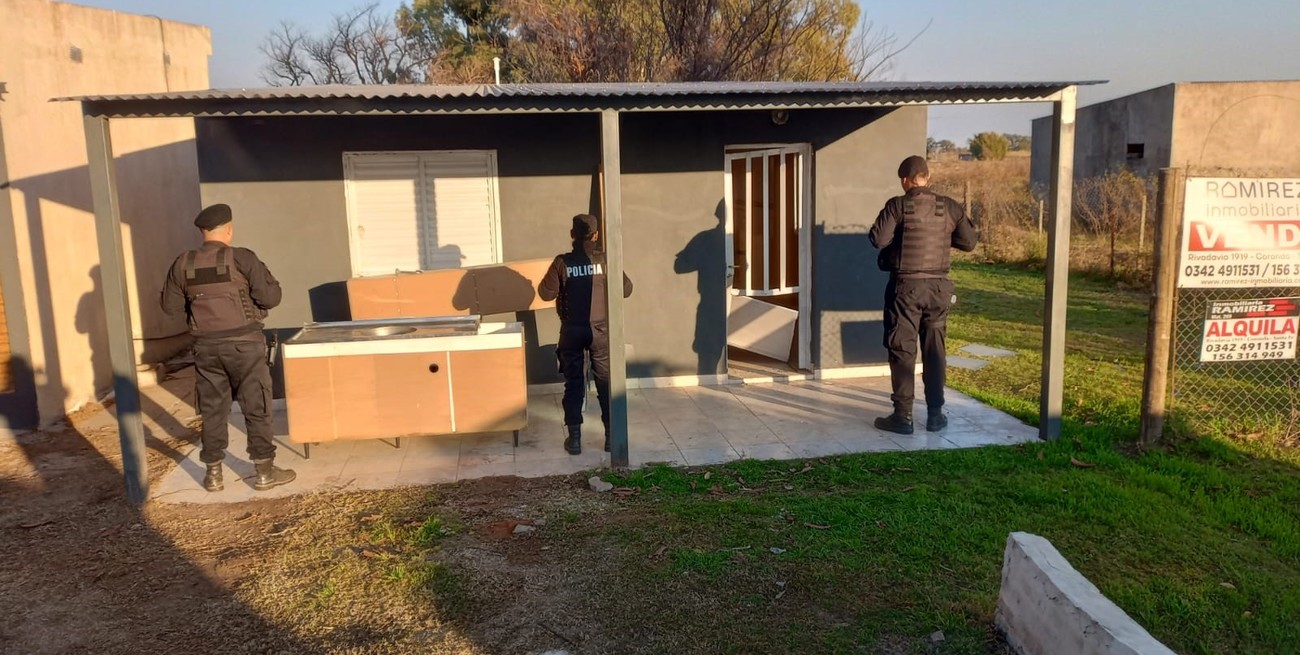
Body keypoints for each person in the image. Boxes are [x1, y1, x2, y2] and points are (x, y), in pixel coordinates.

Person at [161, 204, 295, 492]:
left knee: (212, 410)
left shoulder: (183, 263)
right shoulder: (242, 258)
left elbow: (169, 307)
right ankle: (263, 472)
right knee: (256, 406)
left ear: (202, 232)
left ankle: (213, 474)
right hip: (245, 346)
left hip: (206, 349)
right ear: (229, 229)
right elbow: (271, 298)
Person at [868, 156, 978, 435]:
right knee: (934, 350)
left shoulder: (898, 205)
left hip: (906, 288)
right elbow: (969, 242)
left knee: (903, 348)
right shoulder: (950, 207)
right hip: (939, 289)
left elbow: (878, 239)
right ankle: (935, 414)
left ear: (906, 180)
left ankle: (903, 416)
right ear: (927, 177)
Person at [537, 214, 634, 455]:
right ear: (596, 235)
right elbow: (626, 289)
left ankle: (575, 440)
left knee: (574, 383)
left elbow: (546, 294)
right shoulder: (606, 259)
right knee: (605, 383)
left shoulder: (562, 262)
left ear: (572, 235)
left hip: (572, 330)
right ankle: (612, 437)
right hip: (601, 331)